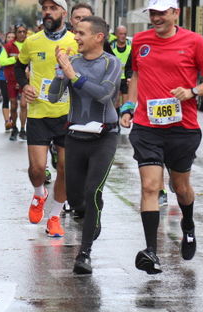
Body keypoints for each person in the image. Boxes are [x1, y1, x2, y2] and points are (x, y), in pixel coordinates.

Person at [120, 0, 203, 274]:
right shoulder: (140, 41)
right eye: (152, 13)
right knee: (151, 186)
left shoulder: (194, 42)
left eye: (162, 12)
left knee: (181, 188)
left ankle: (187, 224)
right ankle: (151, 251)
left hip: (182, 128)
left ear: (176, 13)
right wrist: (129, 106)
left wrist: (192, 91)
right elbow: (136, 76)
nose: (156, 18)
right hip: (147, 126)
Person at [48, 16, 121, 274]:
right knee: (78, 198)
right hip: (75, 137)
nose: (75, 37)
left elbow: (104, 95)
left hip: (104, 136)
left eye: (80, 33)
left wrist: (73, 75)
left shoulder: (112, 62)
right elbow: (53, 96)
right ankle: (92, 216)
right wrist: (61, 72)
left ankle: (84, 253)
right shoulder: (73, 62)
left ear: (98, 37)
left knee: (92, 192)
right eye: (75, 33)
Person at [14, 0, 78, 237]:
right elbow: (19, 66)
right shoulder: (32, 41)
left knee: (64, 168)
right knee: (37, 168)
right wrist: (24, 86)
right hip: (39, 112)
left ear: (63, 13)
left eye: (53, 8)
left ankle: (54, 216)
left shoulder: (75, 41)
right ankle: (39, 193)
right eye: (44, 8)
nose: (47, 12)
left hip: (67, 114)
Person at [0, 24, 29, 141]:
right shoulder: (8, 46)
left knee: (23, 104)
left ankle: (23, 129)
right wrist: (15, 58)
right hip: (11, 79)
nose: (22, 34)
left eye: (23, 32)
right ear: (16, 33)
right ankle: (14, 128)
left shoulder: (29, 44)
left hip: (25, 79)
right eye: (19, 32)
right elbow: (1, 61)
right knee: (13, 105)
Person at [109, 25, 133, 106]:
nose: (123, 36)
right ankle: (116, 118)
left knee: (126, 102)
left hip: (127, 78)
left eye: (125, 34)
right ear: (116, 34)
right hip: (116, 77)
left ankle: (125, 117)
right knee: (116, 102)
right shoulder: (111, 46)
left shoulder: (131, 45)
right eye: (121, 34)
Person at [0, 32, 14, 131]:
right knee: (6, 99)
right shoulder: (2, 49)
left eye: (13, 37)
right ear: (5, 38)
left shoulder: (18, 49)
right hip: (3, 77)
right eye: (9, 37)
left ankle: (12, 118)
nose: (11, 39)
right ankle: (7, 121)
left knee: (14, 100)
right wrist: (14, 59)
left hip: (15, 78)